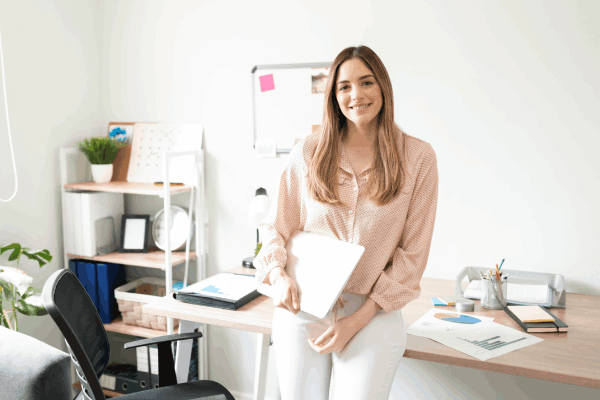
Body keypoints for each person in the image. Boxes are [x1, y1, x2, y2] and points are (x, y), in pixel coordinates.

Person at [253, 45, 438, 400]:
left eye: (366, 82)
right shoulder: (308, 152)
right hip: (303, 305)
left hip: (373, 312)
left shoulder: (418, 158)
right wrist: (277, 276)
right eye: (344, 86)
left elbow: (412, 255)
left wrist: (356, 319)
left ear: (383, 87)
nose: (356, 95)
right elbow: (275, 227)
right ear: (333, 95)